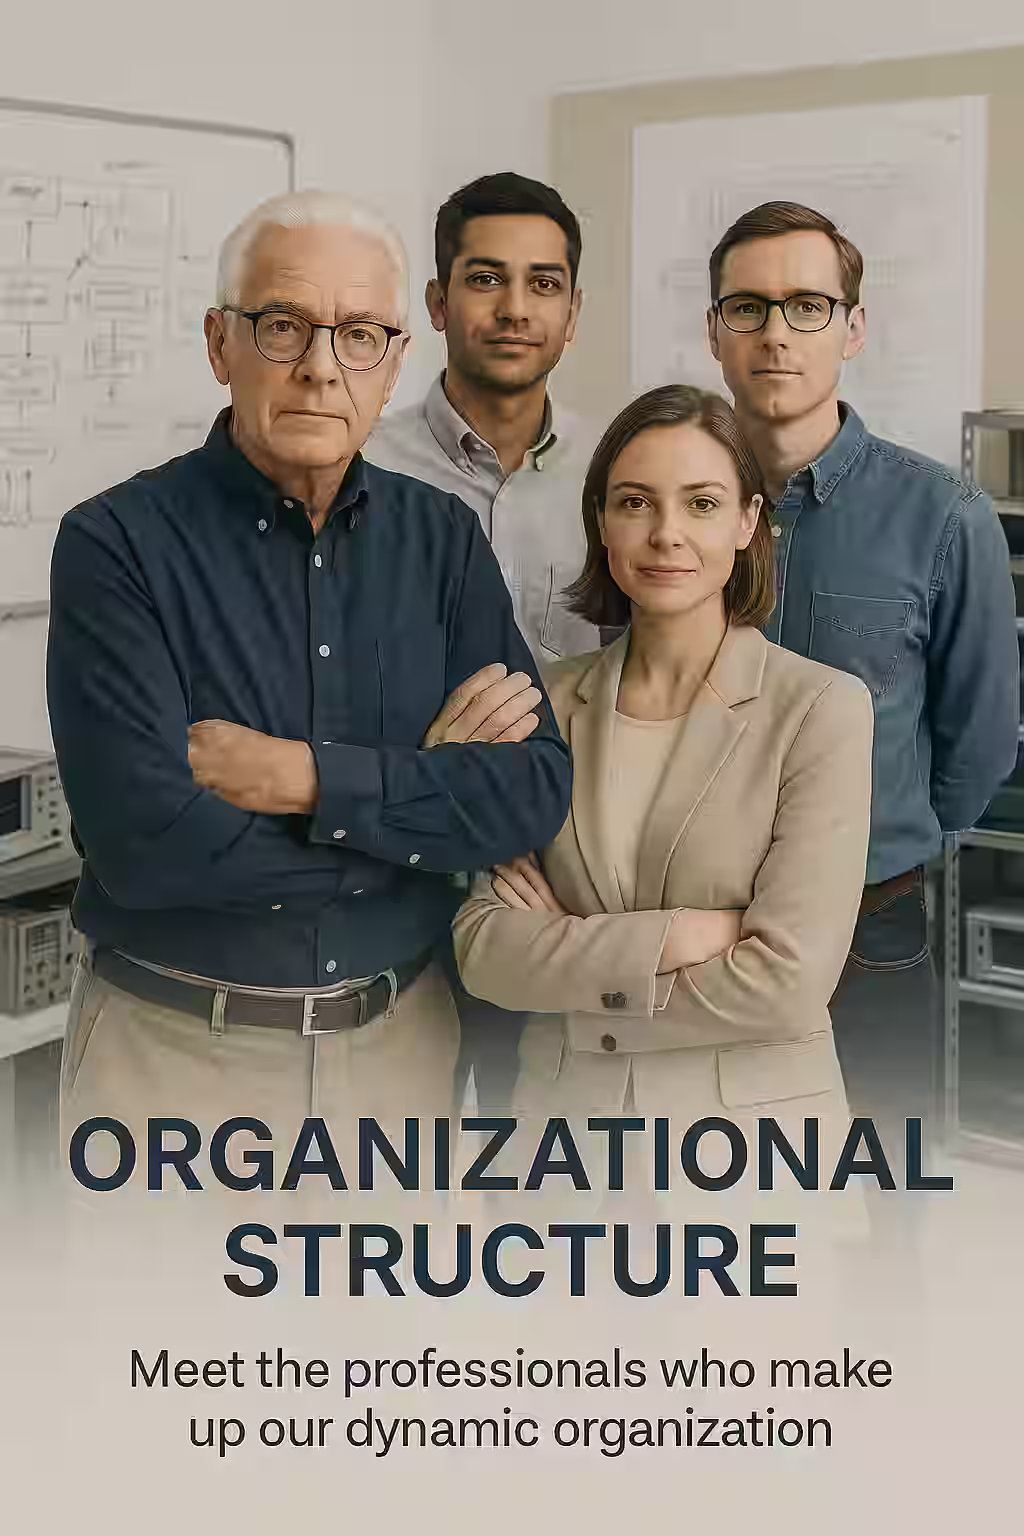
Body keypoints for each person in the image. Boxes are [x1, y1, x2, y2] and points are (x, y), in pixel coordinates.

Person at [46, 190, 571, 1152]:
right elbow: (147, 849)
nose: (323, 368)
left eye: (360, 335)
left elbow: (530, 793)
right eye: (284, 326)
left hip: (402, 1057)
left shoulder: (443, 540)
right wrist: (420, 816)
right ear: (221, 344)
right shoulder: (115, 544)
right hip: (174, 1062)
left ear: (395, 361)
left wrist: (304, 779)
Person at [453, 385, 874, 1246]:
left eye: (702, 504)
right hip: (561, 1167)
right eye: (635, 503)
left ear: (749, 522)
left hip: (751, 1174)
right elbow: (485, 951)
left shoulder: (819, 709)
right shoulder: (542, 707)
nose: (666, 534)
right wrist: (679, 937)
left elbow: (789, 984)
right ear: (601, 523)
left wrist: (569, 967)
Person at [704, 202, 1019, 1256]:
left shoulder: (943, 516)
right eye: (748, 307)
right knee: (710, 1226)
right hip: (693, 933)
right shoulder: (677, 501)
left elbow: (978, 743)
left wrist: (881, 849)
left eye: (807, 305)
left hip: (870, 939)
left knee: (879, 1232)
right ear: (714, 330)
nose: (775, 333)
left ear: (853, 328)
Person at [365, 171, 599, 1112]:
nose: (515, 309)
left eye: (544, 284)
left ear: (573, 313)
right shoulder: (357, 466)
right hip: (393, 878)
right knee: (394, 1156)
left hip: (564, 887)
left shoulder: (620, 477)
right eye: (485, 279)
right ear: (436, 302)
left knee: (538, 1152)